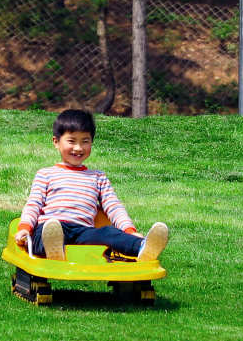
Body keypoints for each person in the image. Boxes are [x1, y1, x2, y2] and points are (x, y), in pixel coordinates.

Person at [14, 108, 170, 262]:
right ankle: (52, 249)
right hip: (53, 226)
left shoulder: (97, 177)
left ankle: (143, 247)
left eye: (85, 141)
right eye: (71, 141)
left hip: (84, 232)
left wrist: (129, 230)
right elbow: (34, 204)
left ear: (92, 142)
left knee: (108, 232)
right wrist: (25, 228)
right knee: (45, 231)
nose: (78, 148)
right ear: (56, 142)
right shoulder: (46, 174)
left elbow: (113, 206)